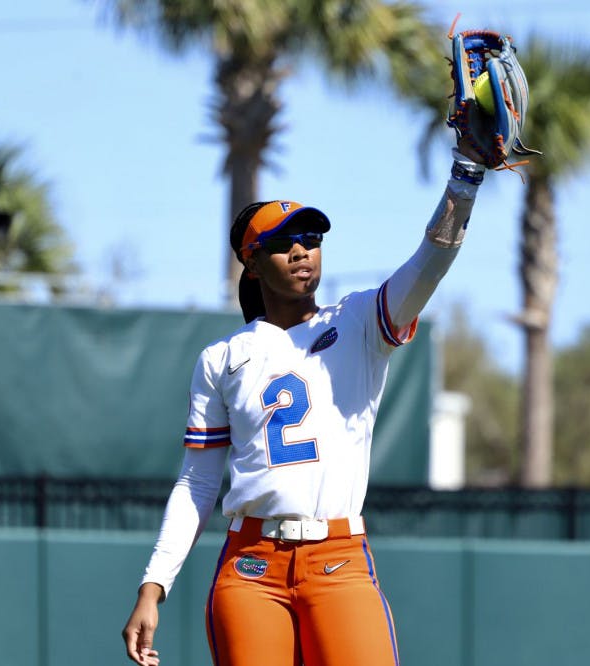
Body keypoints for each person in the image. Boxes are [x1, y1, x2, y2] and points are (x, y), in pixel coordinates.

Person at [121, 137, 490, 666]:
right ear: (251, 263)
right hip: (250, 566)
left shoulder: (361, 320)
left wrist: (466, 176)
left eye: (311, 237)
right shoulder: (222, 358)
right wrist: (153, 586)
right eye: (283, 242)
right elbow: (198, 482)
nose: (301, 250)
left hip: (339, 558)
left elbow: (431, 262)